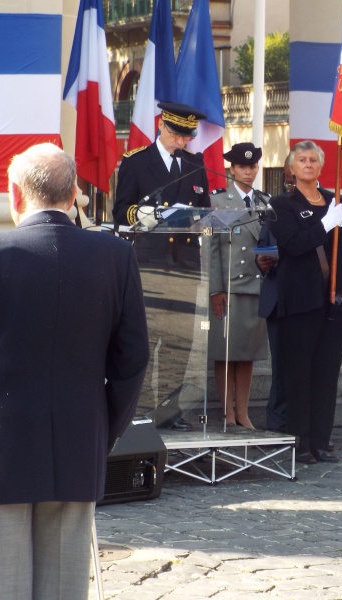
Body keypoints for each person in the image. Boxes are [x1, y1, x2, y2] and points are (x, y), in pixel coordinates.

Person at [0, 143, 149, 600]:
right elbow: (132, 359)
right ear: (75, 195)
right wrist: (103, 427)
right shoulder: (115, 256)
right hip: (78, 443)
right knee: (63, 588)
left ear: (14, 195)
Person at [113, 101, 210, 430]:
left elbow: (205, 209)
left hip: (184, 263)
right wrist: (142, 215)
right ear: (164, 127)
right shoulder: (138, 162)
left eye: (187, 137)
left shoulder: (196, 164)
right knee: (146, 338)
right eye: (178, 136)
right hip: (149, 263)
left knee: (179, 341)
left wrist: (202, 221)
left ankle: (170, 410)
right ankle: (138, 409)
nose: (183, 143)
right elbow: (121, 210)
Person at [268, 141, 342, 464]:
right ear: (291, 168)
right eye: (301, 160)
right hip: (300, 303)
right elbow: (292, 245)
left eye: (313, 160)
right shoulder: (282, 204)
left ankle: (321, 441)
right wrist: (324, 225)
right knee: (298, 374)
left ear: (321, 166)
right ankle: (301, 443)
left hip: (334, 304)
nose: (308, 164)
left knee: (326, 375)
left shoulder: (340, 203)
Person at [209, 142, 270, 428]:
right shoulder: (218, 202)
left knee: (247, 354)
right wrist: (215, 289)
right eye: (243, 167)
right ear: (231, 169)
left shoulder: (264, 201)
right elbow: (211, 249)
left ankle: (242, 412)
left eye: (253, 166)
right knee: (225, 353)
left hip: (256, 286)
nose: (248, 171)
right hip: (229, 287)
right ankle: (226, 412)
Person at [255, 157, 295, 433]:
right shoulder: (276, 207)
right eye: (289, 180)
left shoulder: (325, 206)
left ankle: (305, 425)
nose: (291, 185)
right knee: (281, 366)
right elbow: (262, 244)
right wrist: (263, 261)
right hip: (277, 296)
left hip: (307, 298)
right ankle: (277, 423)